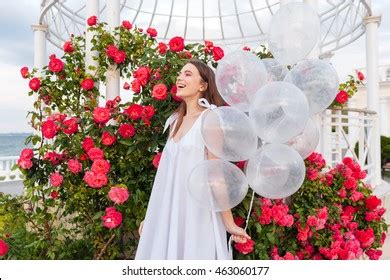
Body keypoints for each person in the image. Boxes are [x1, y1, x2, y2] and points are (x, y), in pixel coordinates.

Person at [135, 59, 250, 260]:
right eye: (180, 73)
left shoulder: (211, 120)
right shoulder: (173, 122)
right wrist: (152, 216)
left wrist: (229, 224)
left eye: (188, 74)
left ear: (203, 85)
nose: (180, 77)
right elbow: (165, 177)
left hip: (198, 213)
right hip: (170, 213)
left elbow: (216, 175)